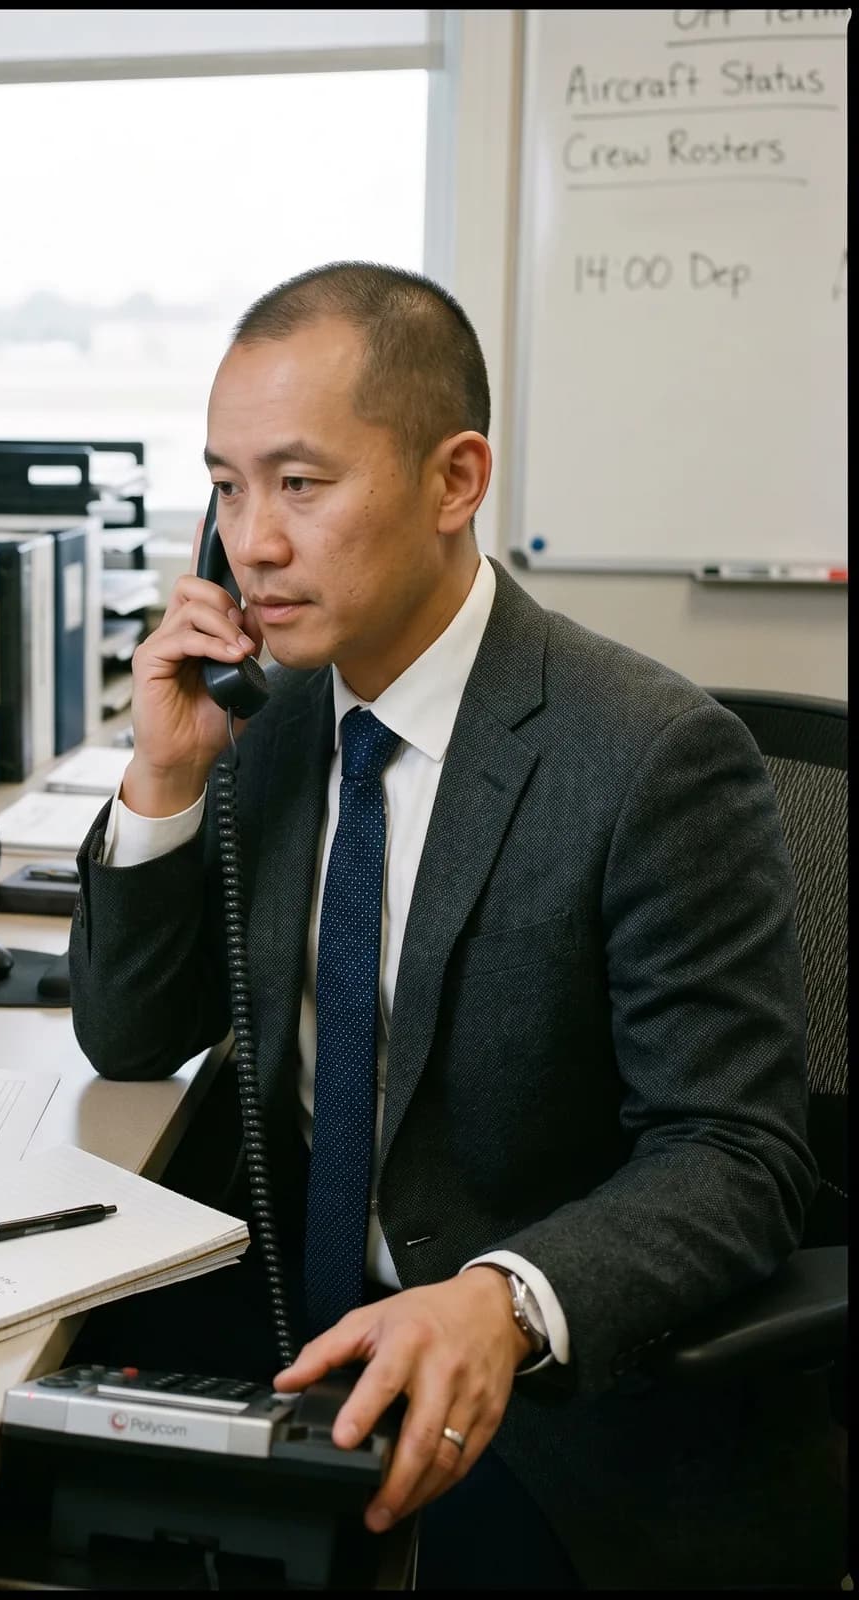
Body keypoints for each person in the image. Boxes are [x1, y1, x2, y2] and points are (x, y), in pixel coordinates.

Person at [66, 261, 843, 1588]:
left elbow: (736, 1154)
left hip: (551, 1396)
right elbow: (134, 1037)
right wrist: (164, 778)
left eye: (300, 484)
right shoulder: (266, 718)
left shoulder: (651, 757)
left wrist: (504, 1302)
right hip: (288, 1316)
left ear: (455, 481)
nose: (253, 542)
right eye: (228, 487)